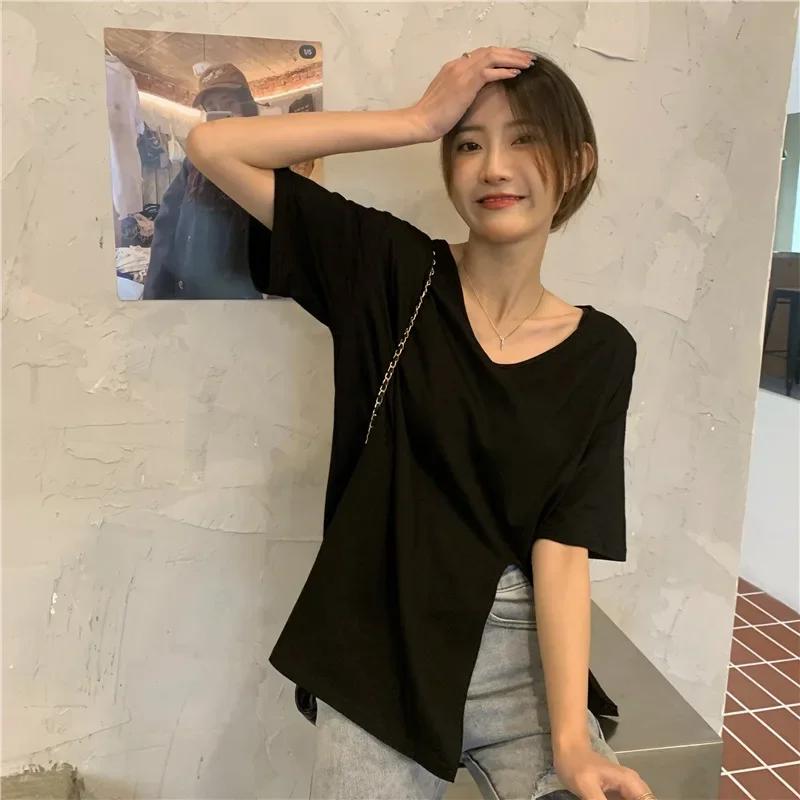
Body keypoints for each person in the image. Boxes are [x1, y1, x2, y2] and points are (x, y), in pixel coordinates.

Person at [186, 46, 656, 800]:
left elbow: (565, 545)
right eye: (468, 145)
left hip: (521, 659)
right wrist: (417, 119)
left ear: (577, 163)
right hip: (380, 646)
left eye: (526, 139)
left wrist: (571, 739)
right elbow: (214, 146)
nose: (495, 167)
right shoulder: (391, 272)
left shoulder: (603, 351)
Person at [142, 63, 264, 299]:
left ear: (246, 106)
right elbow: (167, 225)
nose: (222, 114)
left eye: (229, 104)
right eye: (213, 109)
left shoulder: (267, 159)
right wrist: (154, 296)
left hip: (241, 298)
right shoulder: (196, 162)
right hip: (189, 293)